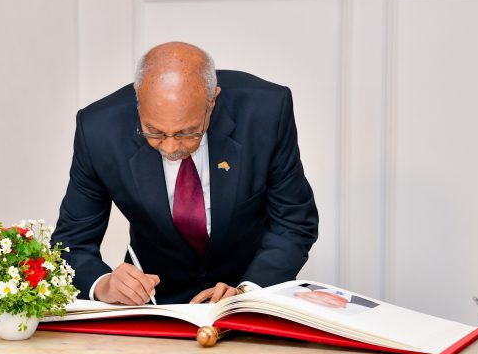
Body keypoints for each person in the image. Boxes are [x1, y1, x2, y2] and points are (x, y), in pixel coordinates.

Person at [52, 42, 318, 305]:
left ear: (212, 102)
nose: (170, 148)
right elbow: (71, 243)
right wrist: (104, 284)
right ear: (138, 101)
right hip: (154, 304)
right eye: (154, 132)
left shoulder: (265, 111)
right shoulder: (99, 129)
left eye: (187, 132)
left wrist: (248, 293)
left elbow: (294, 222)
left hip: (246, 292)